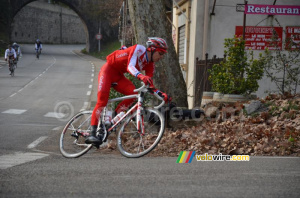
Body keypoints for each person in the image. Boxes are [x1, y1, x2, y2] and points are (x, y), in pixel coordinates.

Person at [85, 37, 171, 145]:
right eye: (160, 53)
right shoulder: (139, 49)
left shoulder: (150, 64)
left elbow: (150, 85)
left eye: (163, 54)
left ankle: (113, 119)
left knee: (133, 94)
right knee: (102, 102)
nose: (161, 57)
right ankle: (92, 134)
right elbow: (131, 67)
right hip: (107, 71)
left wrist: (161, 94)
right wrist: (141, 76)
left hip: (119, 76)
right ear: (152, 49)